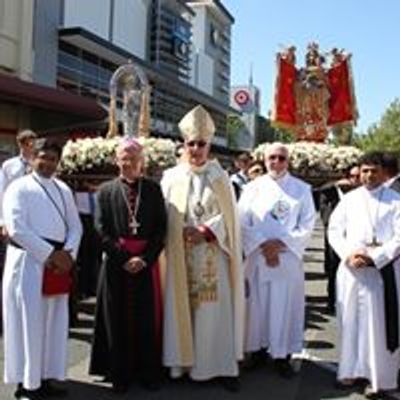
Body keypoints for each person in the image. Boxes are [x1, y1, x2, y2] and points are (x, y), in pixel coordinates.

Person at [162, 105, 244, 391]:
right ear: (184, 145)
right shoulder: (171, 177)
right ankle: (181, 364)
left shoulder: (221, 178)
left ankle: (217, 366)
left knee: (213, 312)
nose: (196, 148)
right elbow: (164, 213)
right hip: (180, 253)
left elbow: (231, 219)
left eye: (201, 144)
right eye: (191, 143)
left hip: (212, 253)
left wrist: (205, 230)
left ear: (209, 145)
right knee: (181, 307)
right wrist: (180, 230)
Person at [2, 138, 82, 400]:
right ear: (33, 157)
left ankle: (47, 377)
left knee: (54, 324)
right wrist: (50, 255)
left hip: (58, 265)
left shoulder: (63, 189)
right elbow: (16, 228)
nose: (47, 163)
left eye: (53, 159)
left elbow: (76, 226)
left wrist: (68, 254)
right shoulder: (18, 188)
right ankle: (27, 384)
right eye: (43, 157)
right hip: (29, 263)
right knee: (29, 323)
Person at [89, 137, 167, 393]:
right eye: (124, 157)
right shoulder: (105, 190)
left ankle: (146, 372)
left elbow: (161, 228)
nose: (128, 162)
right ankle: (118, 372)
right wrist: (124, 258)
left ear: (141, 161)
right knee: (116, 318)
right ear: (116, 160)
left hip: (145, 263)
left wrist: (145, 258)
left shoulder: (153, 190)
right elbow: (100, 230)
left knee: (146, 319)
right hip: (116, 264)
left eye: (133, 157)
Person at [238, 142, 315, 378]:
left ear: (287, 161)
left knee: (284, 305)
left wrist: (279, 245)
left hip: (287, 259)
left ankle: (282, 355)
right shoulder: (252, 188)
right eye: (272, 158)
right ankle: (258, 350)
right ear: (264, 159)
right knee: (257, 306)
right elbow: (241, 221)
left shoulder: (302, 189)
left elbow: (308, 223)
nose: (276, 162)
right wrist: (263, 244)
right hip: (258, 257)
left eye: (281, 158)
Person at [328, 151, 400, 398]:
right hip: (351, 271)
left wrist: (374, 257)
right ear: (360, 172)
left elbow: (399, 238)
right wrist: (349, 254)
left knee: (377, 326)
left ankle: (378, 378)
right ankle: (348, 371)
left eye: (375, 170)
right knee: (349, 321)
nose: (369, 175)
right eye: (365, 170)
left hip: (382, 272)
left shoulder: (395, 200)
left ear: (383, 172)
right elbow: (335, 231)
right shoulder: (349, 200)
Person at [319, 165, 360, 313]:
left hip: (355, 239)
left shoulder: (362, 194)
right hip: (335, 237)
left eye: (358, 176)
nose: (356, 180)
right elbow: (325, 214)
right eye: (353, 176)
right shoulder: (330, 191)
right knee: (333, 269)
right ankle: (332, 302)